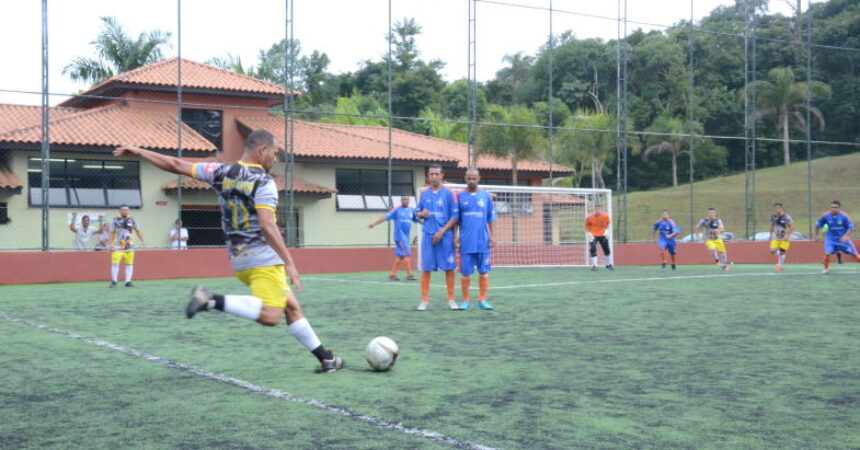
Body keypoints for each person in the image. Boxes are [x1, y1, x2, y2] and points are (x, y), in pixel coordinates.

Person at [113, 129, 343, 373]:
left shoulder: (220, 171)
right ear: (262, 150)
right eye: (275, 153)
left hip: (239, 259)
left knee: (292, 307)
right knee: (271, 315)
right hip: (263, 259)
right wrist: (290, 262)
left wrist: (138, 151)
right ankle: (211, 300)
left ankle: (325, 358)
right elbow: (267, 224)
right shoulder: (264, 182)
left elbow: (175, 164)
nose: (276, 159)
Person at [416, 163, 459, 311]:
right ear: (428, 176)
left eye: (436, 174)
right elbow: (417, 213)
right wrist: (421, 214)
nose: (434, 176)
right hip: (428, 235)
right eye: (431, 174)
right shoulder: (424, 193)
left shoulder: (449, 193)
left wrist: (442, 232)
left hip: (445, 236)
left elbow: (455, 217)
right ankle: (424, 300)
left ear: (442, 175)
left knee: (449, 268)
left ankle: (451, 299)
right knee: (426, 268)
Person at [455, 168, 496, 310]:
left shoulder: (486, 196)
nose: (471, 181)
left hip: (483, 241)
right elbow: (455, 220)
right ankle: (465, 301)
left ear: (479, 178)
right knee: (465, 273)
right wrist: (456, 238)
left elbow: (491, 219)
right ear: (465, 178)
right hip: (466, 241)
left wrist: (492, 237)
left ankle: (482, 300)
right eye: (469, 178)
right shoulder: (459, 196)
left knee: (484, 271)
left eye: (474, 178)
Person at [368, 195, 420, 281]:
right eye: (403, 199)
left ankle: (392, 274)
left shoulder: (412, 210)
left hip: (406, 237)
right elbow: (385, 217)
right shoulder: (396, 210)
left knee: (401, 256)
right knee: (406, 254)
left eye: (406, 199)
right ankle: (409, 274)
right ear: (401, 200)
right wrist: (374, 224)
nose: (405, 201)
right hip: (399, 236)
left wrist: (428, 221)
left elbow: (418, 220)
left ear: (409, 200)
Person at [814, 200, 858, 274]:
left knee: (855, 255)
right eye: (832, 207)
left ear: (839, 208)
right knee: (827, 253)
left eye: (835, 207)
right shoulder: (825, 215)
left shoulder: (845, 216)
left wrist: (846, 236)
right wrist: (816, 235)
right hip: (830, 239)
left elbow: (850, 228)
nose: (833, 209)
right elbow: (817, 225)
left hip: (842, 240)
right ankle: (826, 269)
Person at [109, 205, 146, 287]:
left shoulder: (132, 220)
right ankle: (114, 281)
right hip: (117, 246)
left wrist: (142, 240)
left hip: (129, 246)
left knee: (129, 264)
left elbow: (138, 231)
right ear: (119, 211)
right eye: (123, 210)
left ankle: (128, 281)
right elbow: (111, 232)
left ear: (129, 211)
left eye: (126, 210)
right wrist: (111, 244)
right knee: (115, 263)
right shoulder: (115, 220)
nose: (125, 211)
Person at [584, 203, 613, 270]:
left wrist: (606, 231)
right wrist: (589, 233)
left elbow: (608, 223)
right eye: (596, 209)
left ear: (601, 209)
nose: (597, 210)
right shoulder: (589, 217)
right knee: (592, 249)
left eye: (599, 209)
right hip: (593, 234)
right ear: (595, 209)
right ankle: (595, 265)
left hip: (602, 234)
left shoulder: (605, 216)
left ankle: (608, 264)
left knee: (606, 249)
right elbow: (586, 226)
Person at [769, 202, 794, 272]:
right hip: (777, 236)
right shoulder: (773, 216)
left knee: (782, 252)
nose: (777, 209)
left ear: (781, 208)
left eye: (779, 208)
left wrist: (787, 235)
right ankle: (781, 257)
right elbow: (772, 226)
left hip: (784, 236)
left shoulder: (786, 216)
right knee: (772, 251)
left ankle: (780, 265)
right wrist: (770, 235)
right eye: (776, 208)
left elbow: (792, 226)